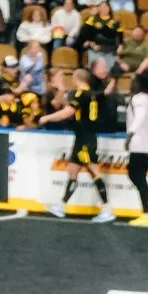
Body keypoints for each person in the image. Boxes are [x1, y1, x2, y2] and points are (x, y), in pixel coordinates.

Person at [53, 66, 112, 220]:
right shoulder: (91, 94)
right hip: (82, 137)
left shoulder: (81, 94)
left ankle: (107, 208)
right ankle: (61, 205)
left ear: (76, 79)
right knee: (73, 170)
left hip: (85, 138)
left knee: (94, 171)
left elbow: (67, 112)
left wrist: (46, 118)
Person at [125, 68, 148, 224]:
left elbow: (139, 117)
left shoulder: (138, 98)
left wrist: (130, 134)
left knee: (135, 175)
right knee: (139, 176)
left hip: (139, 141)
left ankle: (146, 213)